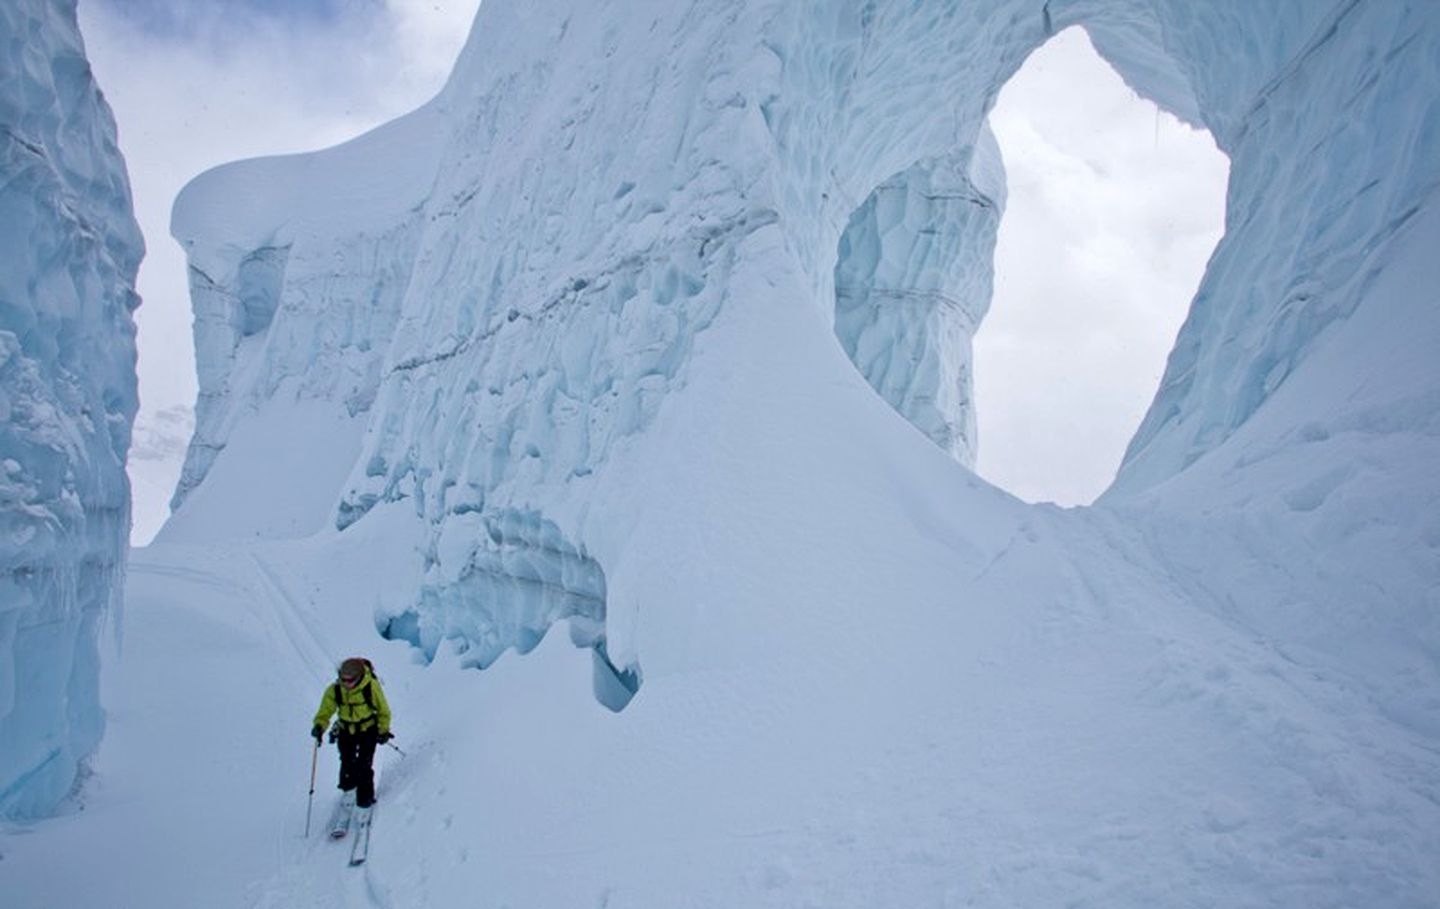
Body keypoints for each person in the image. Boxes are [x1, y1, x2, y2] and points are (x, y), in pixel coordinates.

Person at [311, 657, 393, 832]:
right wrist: (319, 726)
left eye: (349, 680)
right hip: (346, 730)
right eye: (343, 679)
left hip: (367, 730)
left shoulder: (371, 687)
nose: (346, 683)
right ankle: (348, 792)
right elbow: (325, 710)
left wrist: (383, 730)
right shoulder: (335, 690)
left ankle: (365, 801)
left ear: (359, 677)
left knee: (364, 764)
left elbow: (384, 710)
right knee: (347, 762)